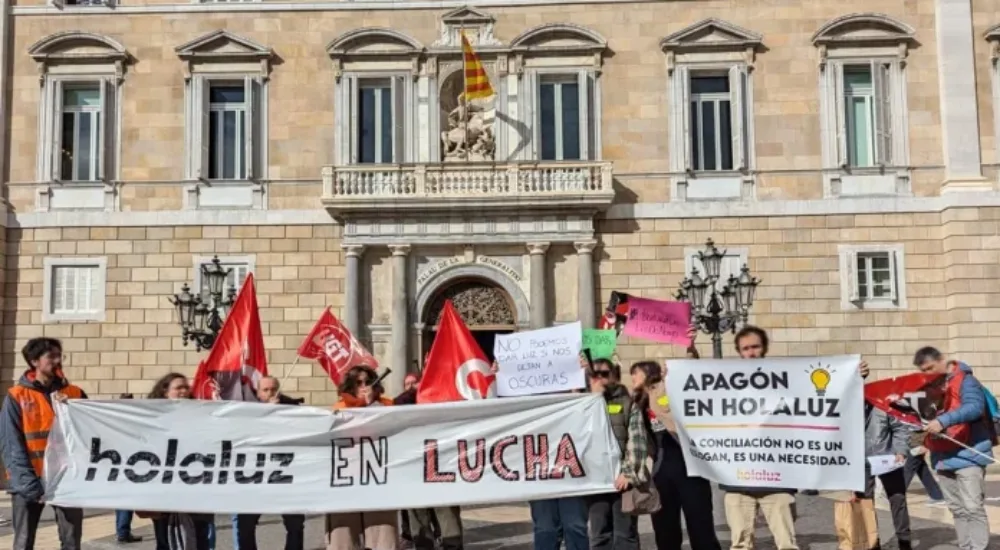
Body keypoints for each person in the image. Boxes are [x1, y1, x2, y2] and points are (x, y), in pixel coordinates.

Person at [0, 337, 86, 550]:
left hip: (67, 478)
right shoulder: (17, 396)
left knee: (71, 542)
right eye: (51, 356)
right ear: (34, 361)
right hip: (28, 480)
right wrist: (29, 485)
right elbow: (11, 445)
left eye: (60, 355)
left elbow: (88, 433)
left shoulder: (73, 393)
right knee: (23, 542)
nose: (58, 360)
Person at [631, 358, 720, 550]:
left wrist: (688, 355)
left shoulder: (669, 389)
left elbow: (696, 381)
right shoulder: (637, 402)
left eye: (635, 373)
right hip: (661, 471)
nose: (632, 378)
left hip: (690, 468)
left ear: (648, 373)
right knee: (665, 528)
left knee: (700, 524)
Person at [912, 347, 994, 550]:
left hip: (969, 453)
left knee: (973, 507)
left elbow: (974, 407)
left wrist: (943, 421)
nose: (928, 373)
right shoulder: (929, 387)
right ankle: (966, 546)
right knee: (957, 509)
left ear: (942, 359)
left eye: (931, 367)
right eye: (924, 370)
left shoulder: (967, 381)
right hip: (942, 455)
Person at [326, 366, 399, 550]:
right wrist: (360, 407)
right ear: (350, 385)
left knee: (383, 534)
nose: (364, 386)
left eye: (368, 381)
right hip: (347, 478)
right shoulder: (339, 408)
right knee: (343, 536)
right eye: (359, 383)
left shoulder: (387, 405)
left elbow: (391, 426)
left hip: (379, 477)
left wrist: (371, 407)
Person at [145, 373, 214, 550]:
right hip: (164, 492)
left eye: (186, 387)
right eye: (178, 388)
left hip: (195, 489)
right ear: (165, 392)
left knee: (201, 539)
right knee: (166, 540)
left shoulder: (199, 414)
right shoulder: (151, 417)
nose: (184, 391)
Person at [237, 376, 305, 550]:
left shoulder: (293, 409)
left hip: (285, 474)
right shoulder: (248, 412)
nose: (270, 393)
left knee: (294, 524)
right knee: (246, 524)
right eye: (265, 390)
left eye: (273, 389)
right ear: (258, 393)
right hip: (256, 475)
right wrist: (265, 415)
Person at [587, 357, 648, 550]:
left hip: (622, 481)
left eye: (604, 374)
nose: (599, 378)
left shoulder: (628, 403)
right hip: (595, 482)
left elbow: (637, 440)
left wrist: (628, 472)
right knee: (599, 536)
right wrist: (592, 399)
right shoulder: (581, 404)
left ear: (613, 376)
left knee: (626, 535)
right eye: (594, 374)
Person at [857, 399, 913, 550]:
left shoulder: (882, 402)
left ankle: (904, 540)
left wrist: (900, 450)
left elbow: (900, 427)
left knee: (898, 499)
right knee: (865, 502)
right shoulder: (845, 403)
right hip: (859, 460)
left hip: (887, 458)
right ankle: (872, 541)